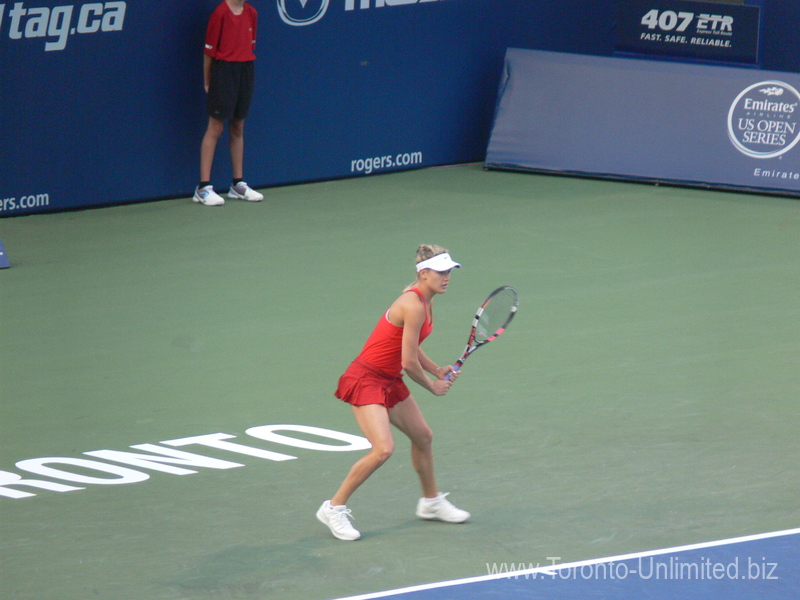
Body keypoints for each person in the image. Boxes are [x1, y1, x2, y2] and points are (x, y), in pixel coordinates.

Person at [316, 245, 470, 541]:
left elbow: (410, 346)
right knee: (383, 449)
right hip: (365, 379)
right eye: (440, 271)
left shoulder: (427, 299)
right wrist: (433, 386)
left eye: (449, 270)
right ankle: (333, 507)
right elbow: (408, 362)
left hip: (388, 378)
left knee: (423, 436)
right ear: (423, 274)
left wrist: (437, 369)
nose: (447, 276)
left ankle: (431, 502)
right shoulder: (412, 304)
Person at [193, 0, 264, 206]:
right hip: (223, 72)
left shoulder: (252, 12)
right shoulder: (220, 13)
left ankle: (237, 185)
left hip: (245, 70)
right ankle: (203, 188)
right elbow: (209, 52)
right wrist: (208, 80)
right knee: (215, 127)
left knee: (238, 126)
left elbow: (251, 44)